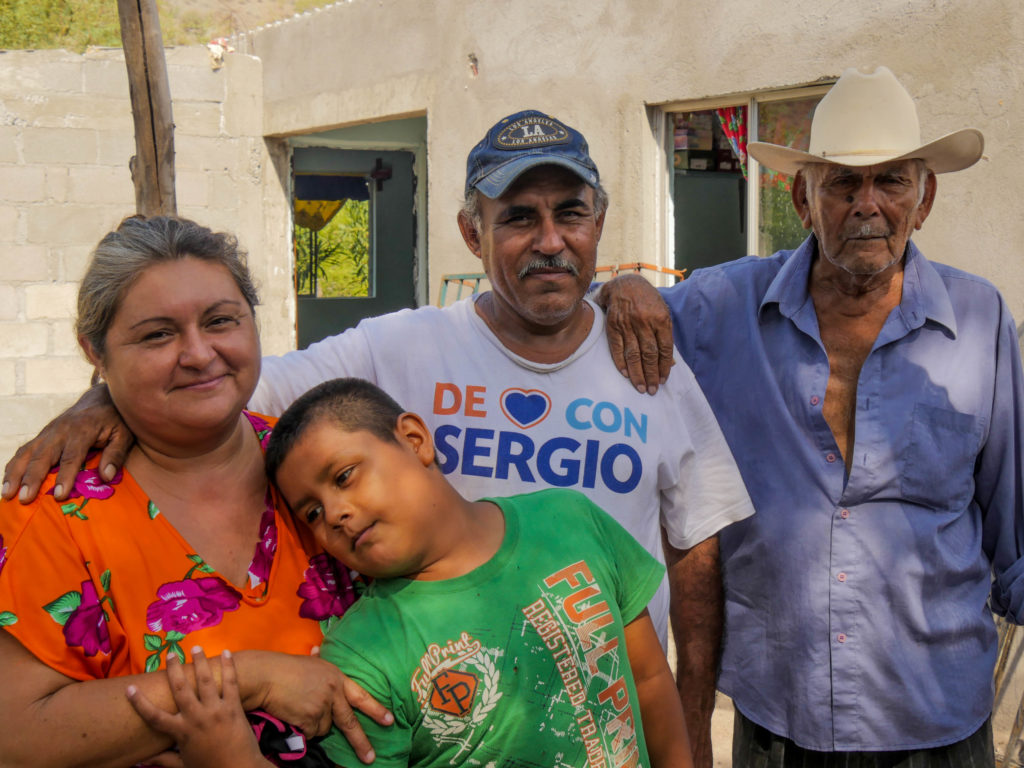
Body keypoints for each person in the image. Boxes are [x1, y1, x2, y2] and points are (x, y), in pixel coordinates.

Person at [3, 109, 754, 768]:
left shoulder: (647, 359)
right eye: (519, 217)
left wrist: (689, 725)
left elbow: (696, 542)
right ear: (472, 231)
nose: (550, 239)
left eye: (572, 213)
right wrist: (99, 397)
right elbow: (209, 387)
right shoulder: (367, 385)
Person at [603, 65, 1013, 766]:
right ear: (802, 196)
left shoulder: (980, 319)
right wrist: (621, 286)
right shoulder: (723, 307)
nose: (867, 204)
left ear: (925, 197)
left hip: (940, 718)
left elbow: (1016, 528)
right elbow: (564, 322)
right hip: (778, 720)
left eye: (890, 181)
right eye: (842, 183)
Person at [129, 377, 693, 768]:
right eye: (313, 513)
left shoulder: (571, 520)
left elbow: (646, 680)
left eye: (345, 475)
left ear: (415, 440)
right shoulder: (364, 655)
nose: (337, 515)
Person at [0, 216, 390, 767]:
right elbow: (16, 735)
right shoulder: (55, 513)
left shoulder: (323, 463)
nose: (200, 353)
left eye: (220, 321)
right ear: (95, 351)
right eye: (157, 334)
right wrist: (249, 679)